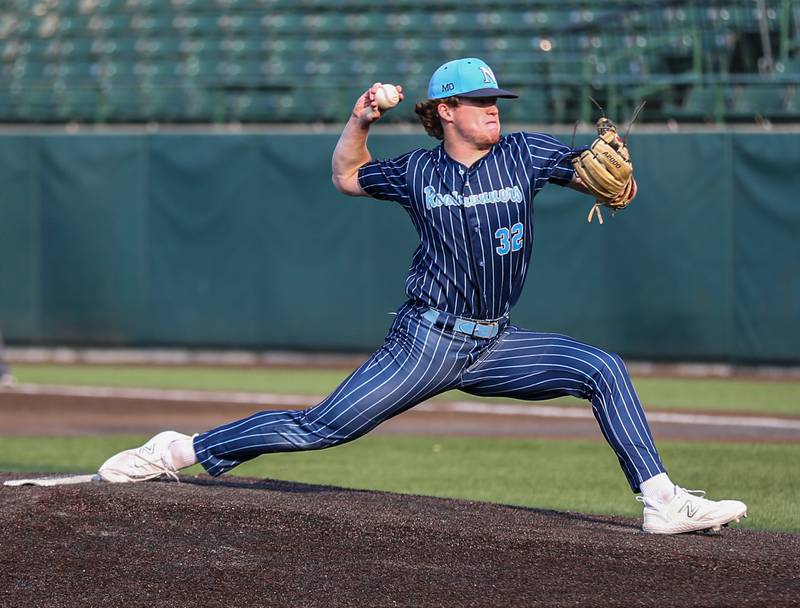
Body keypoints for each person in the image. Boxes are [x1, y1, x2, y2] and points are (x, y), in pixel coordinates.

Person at [98, 58, 747, 535]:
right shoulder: (416, 170)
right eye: (479, 100)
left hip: (496, 342)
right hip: (425, 341)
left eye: (497, 97)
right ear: (445, 112)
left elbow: (601, 180)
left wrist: (620, 181)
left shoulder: (526, 153)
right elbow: (347, 175)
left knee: (601, 368)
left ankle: (661, 501)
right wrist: (360, 118)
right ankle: (178, 450)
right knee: (321, 427)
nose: (495, 107)